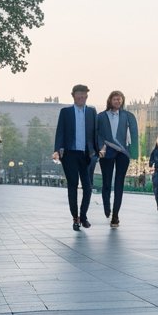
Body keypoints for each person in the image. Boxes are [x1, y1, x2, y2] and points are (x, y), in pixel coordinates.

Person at [53, 84, 98, 231]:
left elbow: (95, 134)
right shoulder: (65, 112)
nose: (81, 99)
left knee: (88, 187)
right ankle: (75, 218)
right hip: (70, 155)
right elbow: (60, 132)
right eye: (79, 96)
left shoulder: (92, 112)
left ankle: (83, 216)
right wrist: (56, 150)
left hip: (87, 155)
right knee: (72, 186)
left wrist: (98, 150)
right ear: (73, 96)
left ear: (86, 96)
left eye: (84, 96)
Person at [96, 90, 139, 228]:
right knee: (107, 182)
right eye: (115, 99)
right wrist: (100, 147)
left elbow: (134, 134)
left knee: (119, 183)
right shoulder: (101, 116)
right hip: (106, 152)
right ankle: (106, 206)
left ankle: (115, 215)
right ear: (110, 100)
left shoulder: (128, 116)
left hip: (122, 153)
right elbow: (96, 133)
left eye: (120, 99)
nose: (118, 102)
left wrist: (134, 154)